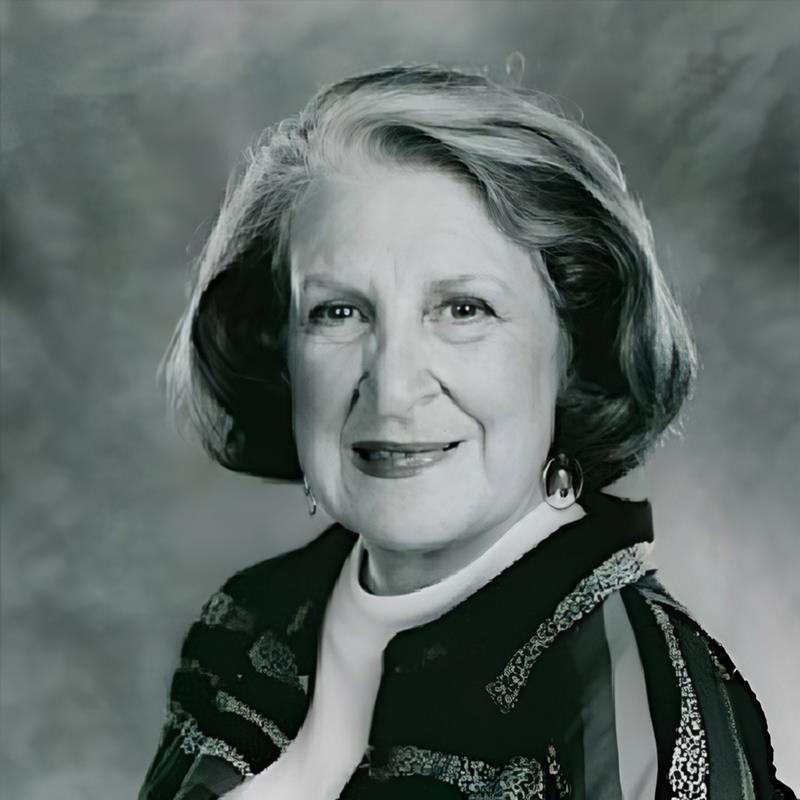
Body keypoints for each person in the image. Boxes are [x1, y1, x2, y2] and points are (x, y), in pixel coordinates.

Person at [139, 63, 795, 800]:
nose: (393, 388)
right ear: (281, 353)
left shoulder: (631, 685)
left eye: (463, 310)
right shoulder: (246, 629)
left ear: (572, 348)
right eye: (338, 312)